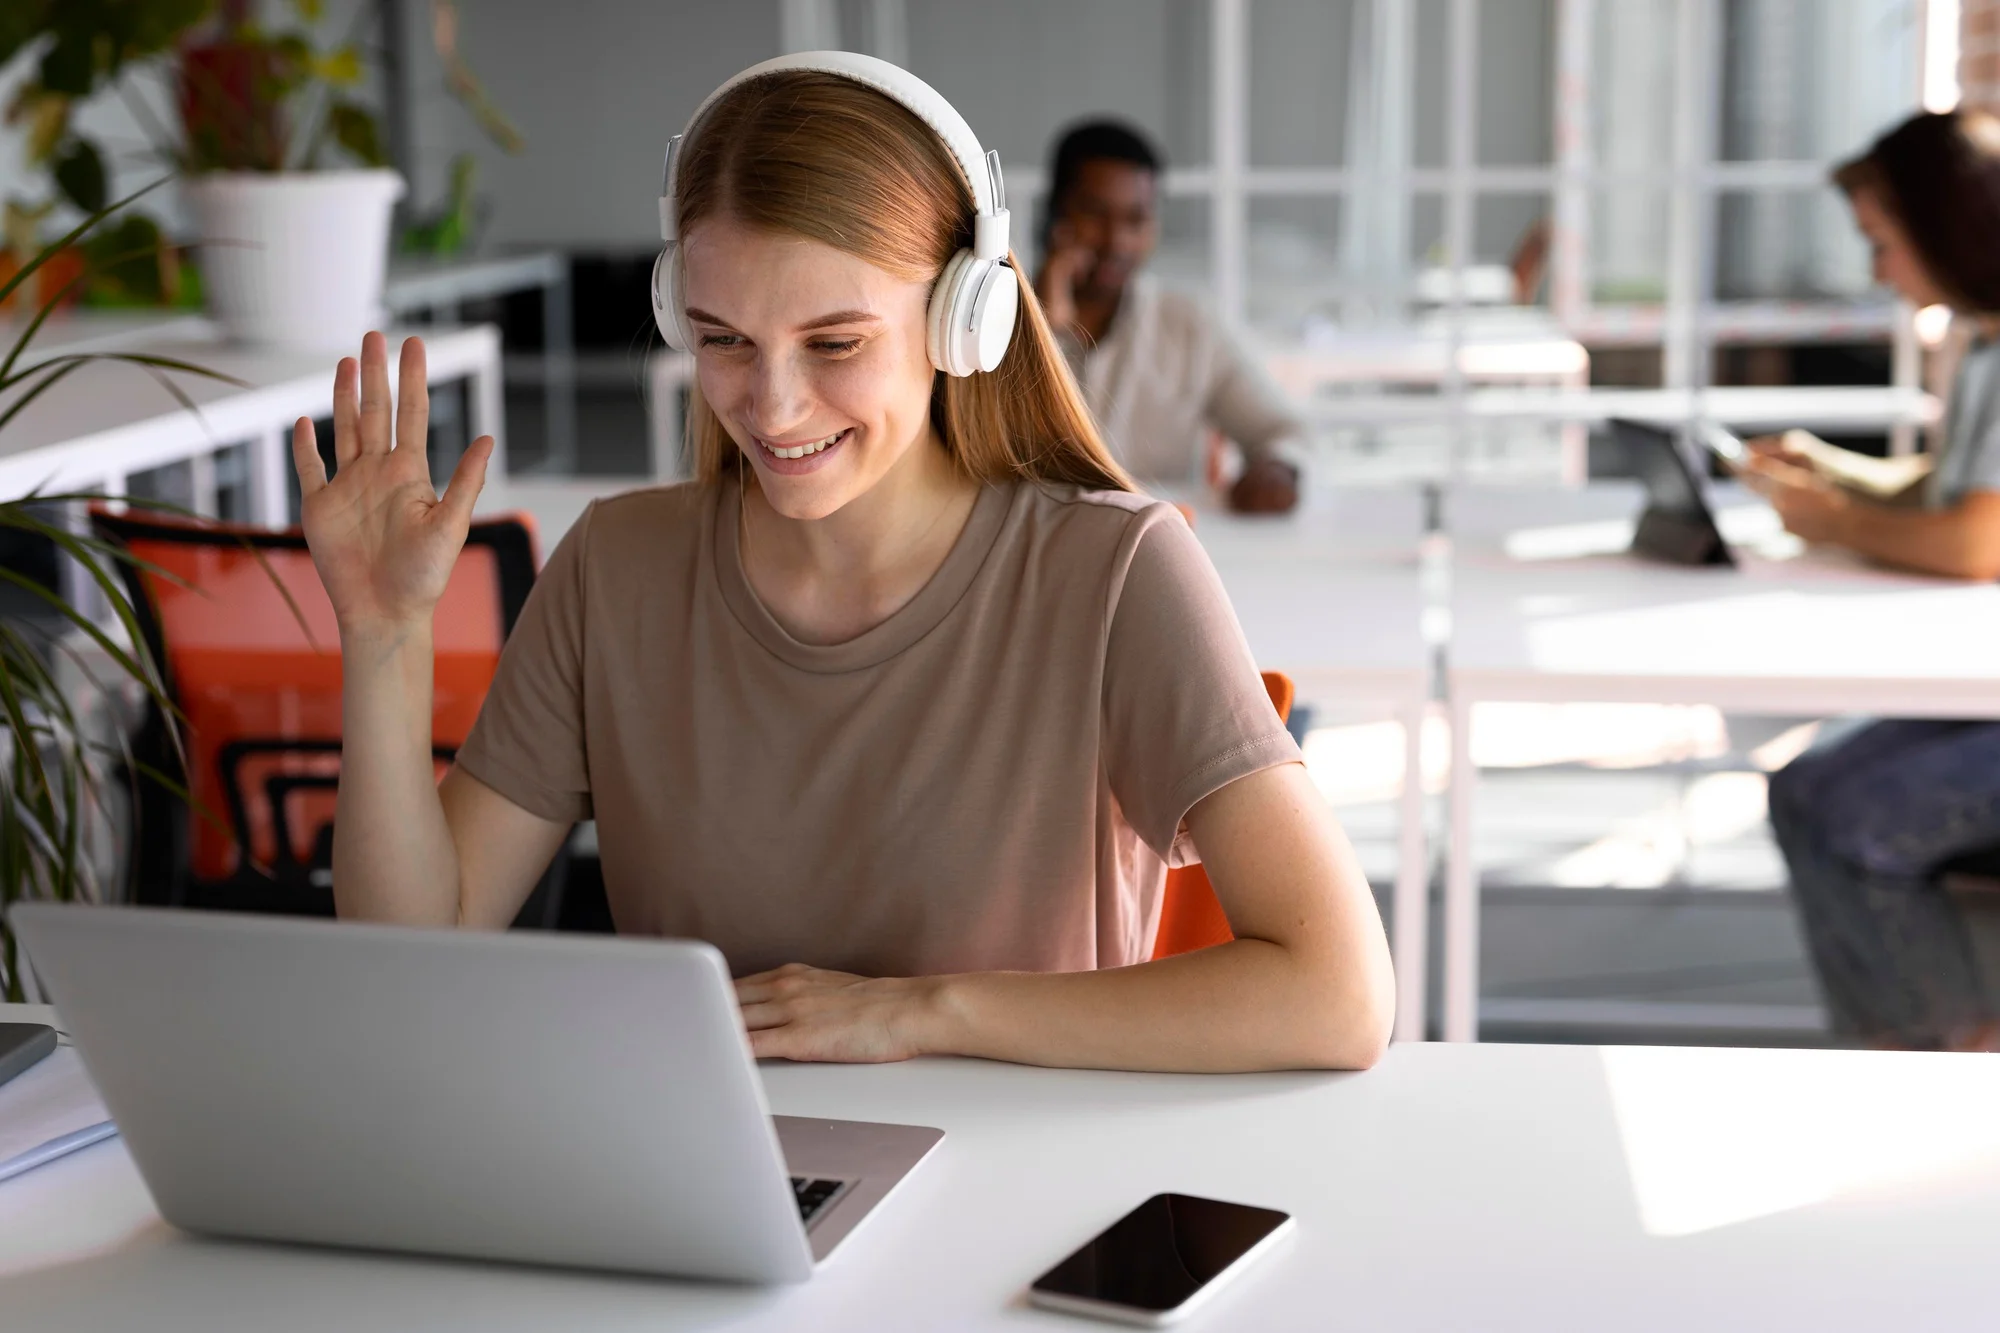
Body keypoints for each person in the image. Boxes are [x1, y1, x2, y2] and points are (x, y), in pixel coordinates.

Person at [291, 54, 1393, 1073]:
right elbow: (416, 951)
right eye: (723, 338)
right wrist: (383, 636)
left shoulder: (1112, 574)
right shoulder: (612, 570)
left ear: (965, 320)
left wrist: (917, 1012)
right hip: (700, 1191)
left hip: (1010, 1210)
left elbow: (1338, 993)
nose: (768, 407)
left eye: (833, 342)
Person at [1750, 109, 2000, 1051]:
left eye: (1883, 243)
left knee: (1859, 816)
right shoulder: (1984, 343)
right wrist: (1832, 469)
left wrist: (1828, 519)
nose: (1878, 271)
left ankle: (1953, 1068)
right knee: (1803, 787)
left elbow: (1979, 540)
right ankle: (1888, 1047)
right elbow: (1948, 489)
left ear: (1948, 226)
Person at [1034, 120, 1304, 513]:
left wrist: (1278, 469)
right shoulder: (999, 322)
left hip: (1157, 552)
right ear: (1054, 215)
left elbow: (1284, 431)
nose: (1116, 241)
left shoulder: (1188, 325)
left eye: (1135, 220)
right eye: (1094, 214)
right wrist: (1043, 324)